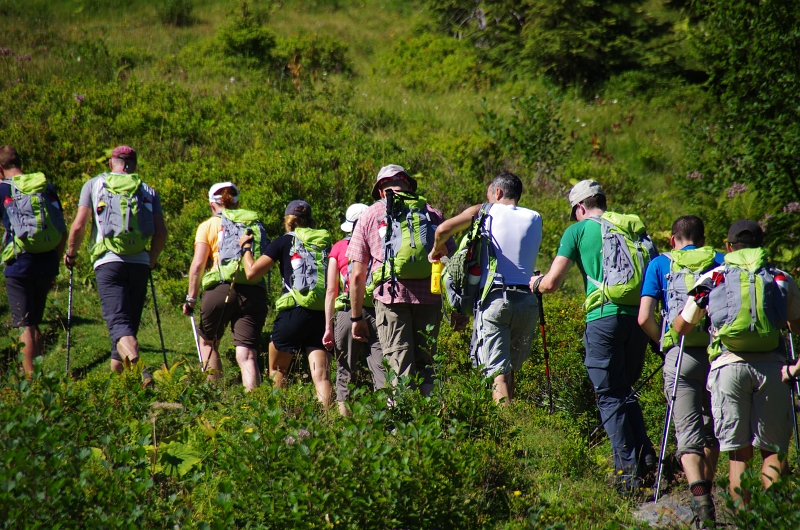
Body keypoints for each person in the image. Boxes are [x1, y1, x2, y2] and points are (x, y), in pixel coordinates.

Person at [530, 179, 657, 491]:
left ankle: (626, 477)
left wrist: (535, 283)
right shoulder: (630, 227)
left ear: (580, 207)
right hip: (639, 319)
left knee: (609, 395)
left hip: (603, 319)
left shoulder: (578, 230)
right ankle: (648, 459)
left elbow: (552, 283)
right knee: (625, 389)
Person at [674, 220, 800, 505]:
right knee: (772, 451)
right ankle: (771, 521)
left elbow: (682, 326)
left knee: (738, 454)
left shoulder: (714, 277)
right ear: (761, 246)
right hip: (774, 369)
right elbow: (797, 325)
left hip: (727, 368)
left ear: (729, 247)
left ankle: (742, 520)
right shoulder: (779, 277)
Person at [430, 172, 542, 404]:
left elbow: (442, 230)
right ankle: (514, 424)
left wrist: (435, 251)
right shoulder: (535, 217)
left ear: (497, 192)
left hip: (496, 300)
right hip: (528, 302)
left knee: (497, 373)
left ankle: (504, 432)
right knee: (510, 370)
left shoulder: (486, 210)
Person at [638, 215, 723, 522]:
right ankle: (709, 490)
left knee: (687, 434)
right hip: (718, 355)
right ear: (702, 239)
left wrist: (666, 341)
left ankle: (702, 506)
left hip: (681, 353)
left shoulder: (660, 264)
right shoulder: (721, 261)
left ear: (673, 240)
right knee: (712, 430)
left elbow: (644, 317)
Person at [347, 165, 454, 395]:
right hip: (430, 296)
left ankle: (402, 428)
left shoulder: (370, 215)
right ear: (408, 185)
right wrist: (458, 309)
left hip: (391, 297)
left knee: (398, 363)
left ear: (381, 191)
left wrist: (356, 317)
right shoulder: (431, 213)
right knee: (428, 364)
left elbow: (357, 274)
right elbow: (451, 263)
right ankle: (431, 423)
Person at [64, 146, 167, 385]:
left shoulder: (94, 184)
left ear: (112, 163)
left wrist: (71, 253)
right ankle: (122, 393)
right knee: (124, 329)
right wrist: (151, 259)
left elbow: (79, 225)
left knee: (120, 327)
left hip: (108, 262)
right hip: (140, 263)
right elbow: (161, 232)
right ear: (135, 164)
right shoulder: (147, 189)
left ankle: (140, 369)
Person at [239, 200, 333, 408]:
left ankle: (279, 419)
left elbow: (252, 272)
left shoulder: (283, 241)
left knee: (278, 369)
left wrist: (246, 248)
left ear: (288, 220)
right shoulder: (325, 242)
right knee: (322, 377)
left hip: (293, 312)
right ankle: (329, 423)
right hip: (322, 313)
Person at [182, 183, 267, 391]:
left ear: (212, 204)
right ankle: (255, 404)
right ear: (237, 202)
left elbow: (197, 266)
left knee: (208, 343)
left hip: (219, 290)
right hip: (253, 290)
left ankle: (214, 396)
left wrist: (191, 298)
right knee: (247, 353)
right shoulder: (253, 224)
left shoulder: (208, 226)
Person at [0, 146, 66, 374]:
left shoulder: (3, 189)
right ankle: (38, 375)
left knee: (24, 324)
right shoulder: (44, 186)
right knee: (35, 321)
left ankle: (31, 383)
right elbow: (61, 227)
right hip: (47, 261)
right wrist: (55, 260)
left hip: (19, 264)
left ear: (0, 169)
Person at [323, 203, 386, 416]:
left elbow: (332, 290)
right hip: (377, 310)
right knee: (381, 369)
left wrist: (328, 327)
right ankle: (387, 421)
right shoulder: (381, 244)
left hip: (347, 313)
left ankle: (344, 422)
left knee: (345, 370)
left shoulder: (339, 248)